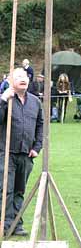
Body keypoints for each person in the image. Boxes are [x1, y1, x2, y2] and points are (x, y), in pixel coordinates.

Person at [0, 68, 43, 236]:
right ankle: (6, 223)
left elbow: (40, 125)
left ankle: (16, 224)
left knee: (19, 190)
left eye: (24, 77)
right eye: (18, 77)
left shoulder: (35, 102)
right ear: (10, 82)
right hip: (6, 152)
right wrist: (4, 100)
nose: (22, 79)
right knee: (6, 189)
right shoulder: (5, 100)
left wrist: (37, 147)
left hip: (26, 154)